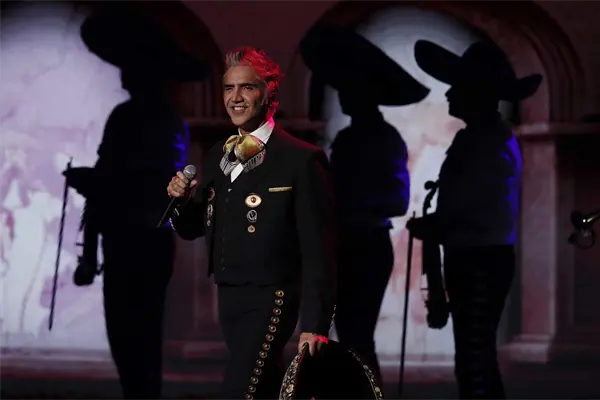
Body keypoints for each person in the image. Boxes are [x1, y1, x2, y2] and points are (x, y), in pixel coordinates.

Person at [167, 46, 336, 400]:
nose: (236, 98)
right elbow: (193, 228)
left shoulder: (301, 159)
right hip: (229, 293)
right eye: (229, 88)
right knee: (262, 387)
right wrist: (180, 201)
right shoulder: (219, 154)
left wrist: (315, 325)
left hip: (273, 296)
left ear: (269, 92)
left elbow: (319, 250)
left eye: (247, 87)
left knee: (241, 388)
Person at [63, 5, 210, 399]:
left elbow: (150, 182)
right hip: (137, 237)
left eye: (131, 64)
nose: (123, 73)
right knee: (134, 337)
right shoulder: (144, 118)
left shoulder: (146, 119)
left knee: (134, 337)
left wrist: (97, 183)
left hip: (138, 239)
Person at [408, 39, 542, 399]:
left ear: (476, 93)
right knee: (474, 355)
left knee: (474, 357)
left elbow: (476, 206)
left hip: (480, 259)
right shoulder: (480, 138)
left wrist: (436, 225)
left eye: (459, 86)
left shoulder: (488, 141)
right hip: (476, 255)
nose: (450, 93)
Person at [298, 23, 429, 383]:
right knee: (347, 336)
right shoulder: (348, 138)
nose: (342, 96)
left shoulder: (385, 139)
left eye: (348, 88)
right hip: (344, 243)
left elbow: (397, 200)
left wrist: (345, 200)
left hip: (366, 245)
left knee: (357, 337)